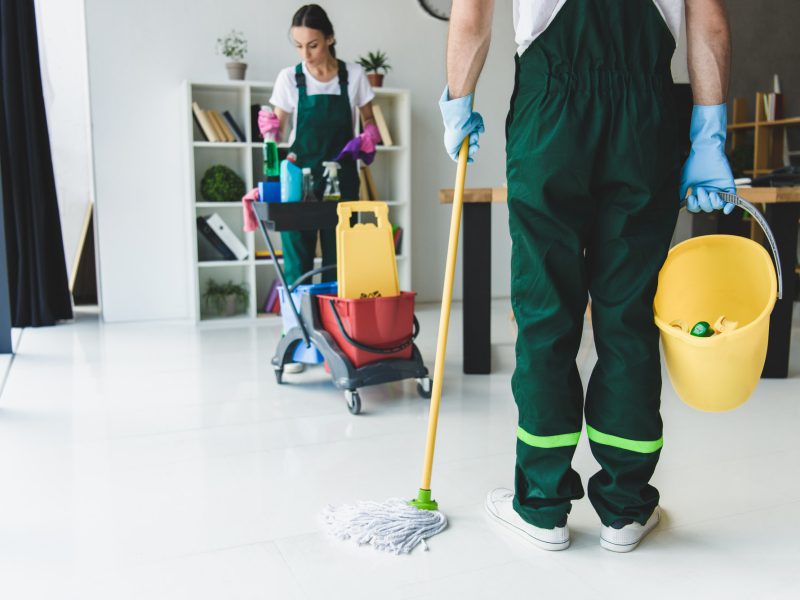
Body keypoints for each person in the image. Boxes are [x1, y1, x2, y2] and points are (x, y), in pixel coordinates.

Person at [441, 0, 735, 552]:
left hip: (551, 114)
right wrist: (709, 133)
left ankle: (542, 506)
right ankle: (625, 509)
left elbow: (472, 16)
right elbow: (711, 23)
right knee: (629, 314)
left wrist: (458, 102)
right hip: (645, 118)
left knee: (546, 309)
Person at [257, 4, 381, 374]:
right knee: (296, 262)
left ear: (329, 39)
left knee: (338, 263)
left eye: (312, 45)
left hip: (341, 179)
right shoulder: (289, 78)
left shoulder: (354, 76)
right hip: (299, 182)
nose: (305, 54)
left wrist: (369, 137)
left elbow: (369, 120)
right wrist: (267, 129)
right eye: (298, 46)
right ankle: (297, 345)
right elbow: (275, 131)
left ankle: (338, 342)